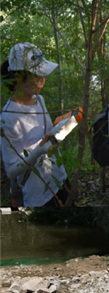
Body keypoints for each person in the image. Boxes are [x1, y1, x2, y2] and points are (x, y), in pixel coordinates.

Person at [1, 43, 69, 206]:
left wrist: (65, 124)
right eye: (37, 75)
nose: (43, 81)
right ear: (18, 75)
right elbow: (11, 171)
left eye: (44, 75)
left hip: (59, 177)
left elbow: (45, 136)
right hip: (39, 194)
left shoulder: (39, 100)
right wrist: (39, 150)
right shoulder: (9, 118)